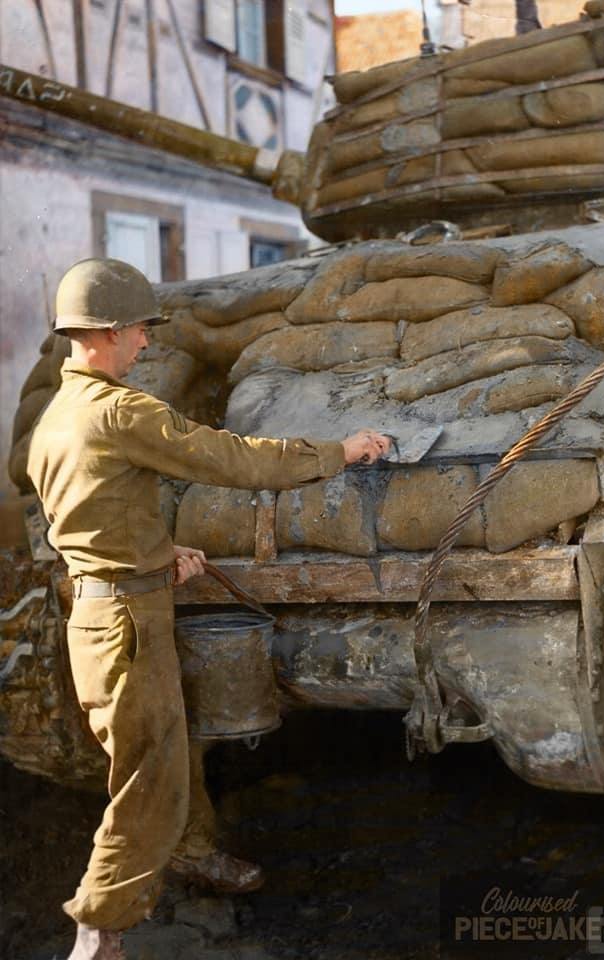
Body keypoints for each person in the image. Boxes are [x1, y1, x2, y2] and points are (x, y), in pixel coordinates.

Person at [26, 258, 391, 960]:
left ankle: (175, 866)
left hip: (102, 615)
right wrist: (336, 452)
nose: (144, 346)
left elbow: (84, 519)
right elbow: (229, 459)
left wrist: (160, 553)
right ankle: (98, 931)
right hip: (129, 626)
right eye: (137, 333)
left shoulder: (57, 418)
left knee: (156, 758)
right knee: (147, 784)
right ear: (103, 333)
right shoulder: (120, 411)